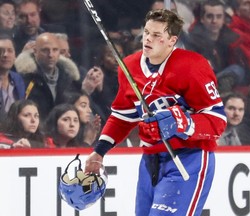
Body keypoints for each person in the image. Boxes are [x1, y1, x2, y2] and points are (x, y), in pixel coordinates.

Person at [85, 9, 226, 215]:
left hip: (189, 159)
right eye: (147, 32)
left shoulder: (193, 66)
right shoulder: (131, 66)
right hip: (150, 162)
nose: (148, 39)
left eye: (157, 35)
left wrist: (182, 123)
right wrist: (99, 152)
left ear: (172, 40)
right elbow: (122, 116)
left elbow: (217, 120)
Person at [14, 32, 80, 121]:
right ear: (35, 51)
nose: (51, 55)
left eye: (55, 50)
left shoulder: (68, 78)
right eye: (45, 50)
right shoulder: (24, 79)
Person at [185, 0, 244, 94]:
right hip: (202, 84)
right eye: (209, 16)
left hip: (225, 81)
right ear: (202, 19)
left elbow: (241, 68)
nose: (214, 21)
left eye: (219, 16)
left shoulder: (232, 39)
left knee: (237, 70)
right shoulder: (192, 41)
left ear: (224, 19)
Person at [0, 34, 25, 123]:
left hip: (15, 132)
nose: (5, 55)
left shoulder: (18, 79)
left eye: (10, 51)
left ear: (15, 55)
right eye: (0, 51)